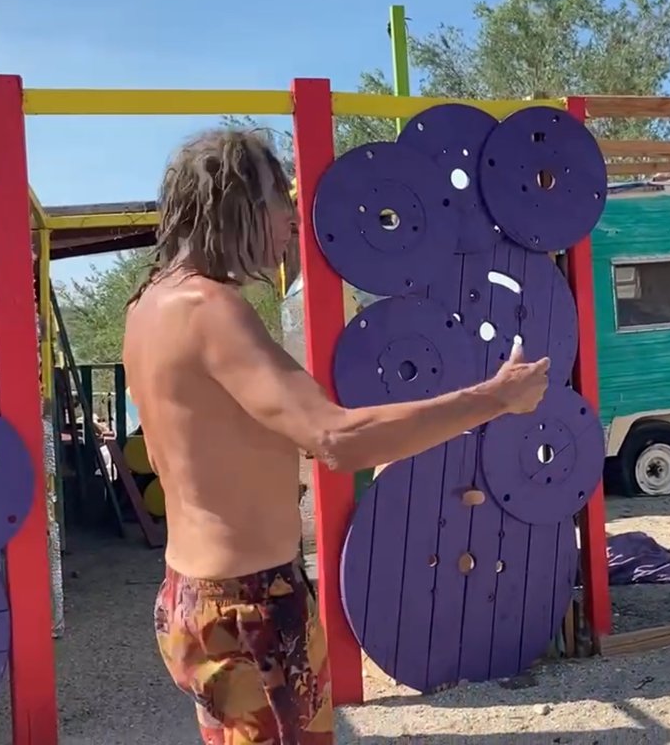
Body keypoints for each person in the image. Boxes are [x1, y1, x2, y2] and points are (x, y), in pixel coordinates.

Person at [123, 128, 550, 745]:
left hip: (191, 597)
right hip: (250, 607)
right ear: (238, 203)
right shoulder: (210, 311)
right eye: (279, 198)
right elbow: (335, 440)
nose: (292, 218)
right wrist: (494, 398)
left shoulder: (147, 308)